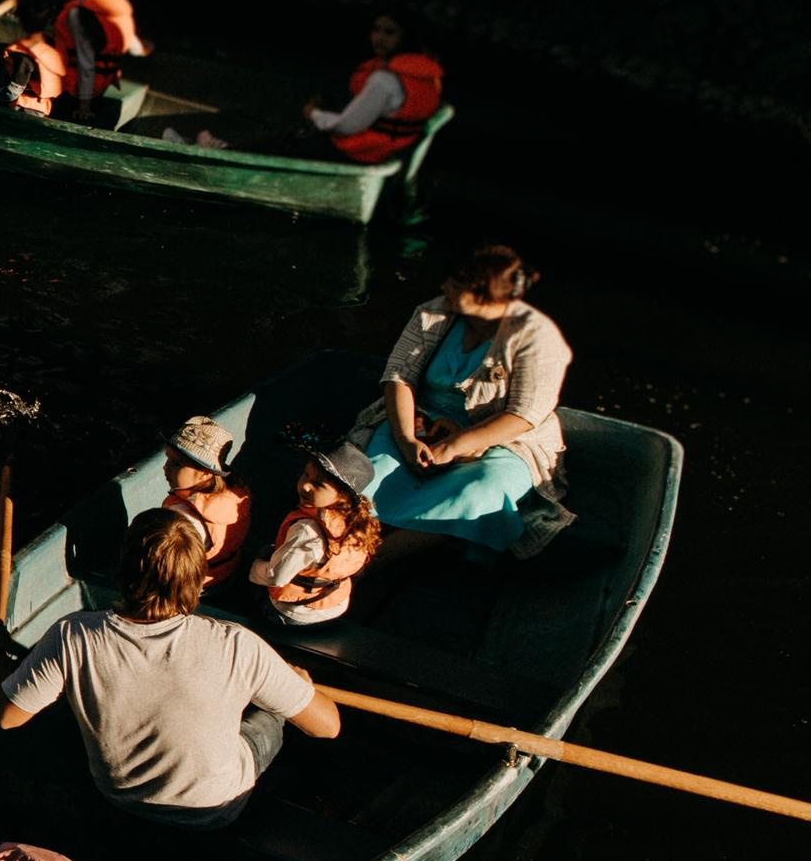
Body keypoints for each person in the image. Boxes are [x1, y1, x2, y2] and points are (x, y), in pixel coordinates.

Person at [0, 509, 341, 829]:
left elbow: (7, 715)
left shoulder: (73, 634)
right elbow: (327, 727)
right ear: (201, 581)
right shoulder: (239, 645)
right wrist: (298, 682)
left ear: (121, 570)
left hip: (120, 798)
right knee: (272, 715)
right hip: (214, 812)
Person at [351, 244, 574, 561]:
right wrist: (407, 439)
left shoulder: (537, 337)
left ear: (485, 295)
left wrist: (455, 446)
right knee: (370, 473)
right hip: (422, 418)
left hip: (505, 438)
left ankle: (375, 560)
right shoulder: (433, 313)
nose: (444, 288)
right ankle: (362, 542)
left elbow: (524, 415)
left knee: (481, 490)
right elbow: (399, 377)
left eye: (455, 285)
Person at [249, 443, 382, 628]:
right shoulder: (356, 522)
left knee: (257, 560)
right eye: (306, 474)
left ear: (343, 496)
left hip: (294, 612)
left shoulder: (306, 530)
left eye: (318, 484)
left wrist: (254, 566)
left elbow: (276, 576)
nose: (306, 486)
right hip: (334, 606)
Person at [306, 10, 444, 164]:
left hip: (368, 155)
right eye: (376, 30)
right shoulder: (427, 73)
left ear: (406, 37)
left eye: (390, 32)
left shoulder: (385, 79)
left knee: (307, 138)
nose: (380, 38)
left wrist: (313, 113)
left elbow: (346, 127)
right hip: (397, 150)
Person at [48, 0, 150, 121]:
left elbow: (86, 61)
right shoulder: (118, 7)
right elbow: (136, 48)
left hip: (77, 91)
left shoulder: (79, 12)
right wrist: (145, 49)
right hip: (103, 83)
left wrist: (84, 106)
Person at [161, 414, 251, 588]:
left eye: (177, 464)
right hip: (224, 573)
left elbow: (169, 568)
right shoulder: (234, 494)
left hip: (195, 584)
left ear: (206, 473)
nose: (165, 467)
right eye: (167, 458)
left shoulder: (181, 519)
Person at [0, 11, 66, 117]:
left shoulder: (26, 52)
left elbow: (13, 92)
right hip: (43, 106)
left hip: (21, 105)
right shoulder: (54, 48)